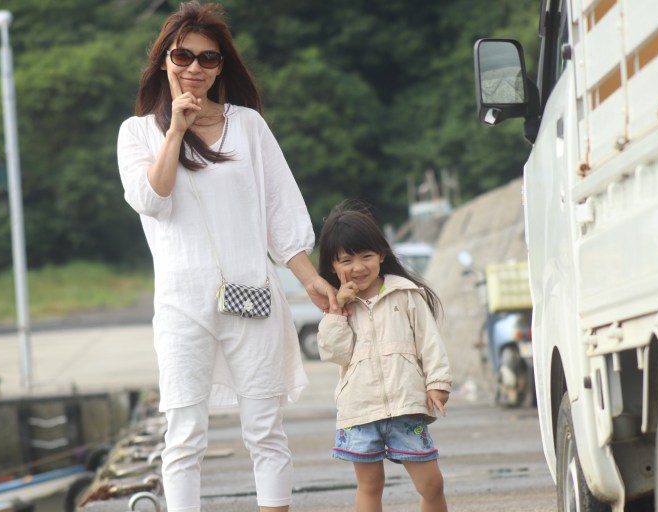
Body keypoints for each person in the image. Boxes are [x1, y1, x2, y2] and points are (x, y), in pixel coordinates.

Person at [116, 3, 339, 511]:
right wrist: (176, 130)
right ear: (164, 61)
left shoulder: (248, 126)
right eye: (183, 56)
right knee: (184, 434)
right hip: (182, 305)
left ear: (221, 67)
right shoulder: (138, 132)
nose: (194, 67)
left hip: (251, 293)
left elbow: (280, 209)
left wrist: (309, 279)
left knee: (265, 429)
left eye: (208, 58)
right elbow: (152, 198)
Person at [316, 203, 453, 512]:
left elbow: (430, 342)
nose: (358, 267)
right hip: (360, 411)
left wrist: (438, 382)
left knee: (432, 484)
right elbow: (335, 353)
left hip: (407, 405)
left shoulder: (405, 293)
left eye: (366, 256)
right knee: (370, 485)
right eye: (347, 260)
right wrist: (337, 310)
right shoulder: (338, 307)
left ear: (381, 254)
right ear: (333, 267)